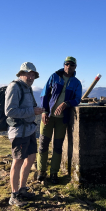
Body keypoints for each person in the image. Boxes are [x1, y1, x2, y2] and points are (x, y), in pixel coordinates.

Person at [37, 56, 82, 184]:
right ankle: (41, 171)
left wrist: (66, 103)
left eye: (72, 65)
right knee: (43, 144)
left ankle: (54, 173)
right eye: (67, 64)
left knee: (57, 146)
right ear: (64, 65)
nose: (69, 67)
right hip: (48, 117)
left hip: (62, 119)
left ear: (75, 67)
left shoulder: (76, 83)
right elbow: (44, 94)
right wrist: (44, 111)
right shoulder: (54, 77)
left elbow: (77, 99)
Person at [5, 62, 44, 207]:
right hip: (19, 131)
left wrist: (37, 109)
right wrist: (32, 112)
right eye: (28, 73)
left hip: (29, 130)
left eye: (33, 74)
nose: (31, 76)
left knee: (31, 157)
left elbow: (29, 107)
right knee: (18, 161)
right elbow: (9, 111)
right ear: (21, 73)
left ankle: (22, 189)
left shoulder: (28, 88)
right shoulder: (14, 87)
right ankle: (14, 195)